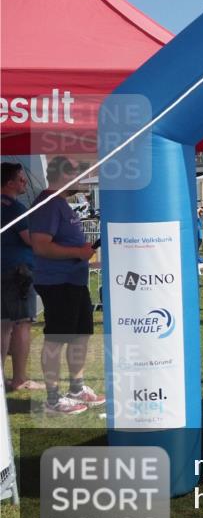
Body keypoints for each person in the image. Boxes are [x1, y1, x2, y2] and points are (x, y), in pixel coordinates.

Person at [29, 157, 104, 415]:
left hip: (74, 281)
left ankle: (77, 388)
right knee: (57, 338)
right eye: (77, 172)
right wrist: (78, 252)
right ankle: (52, 398)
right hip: (57, 282)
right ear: (64, 174)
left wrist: (82, 255)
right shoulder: (48, 204)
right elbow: (40, 245)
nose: (81, 177)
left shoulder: (60, 203)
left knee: (80, 335)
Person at [1, 163, 42, 391]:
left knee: (3, 325)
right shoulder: (15, 208)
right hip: (17, 272)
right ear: (9, 183)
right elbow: (30, 240)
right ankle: (20, 378)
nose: (24, 182)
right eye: (20, 179)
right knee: (22, 324)